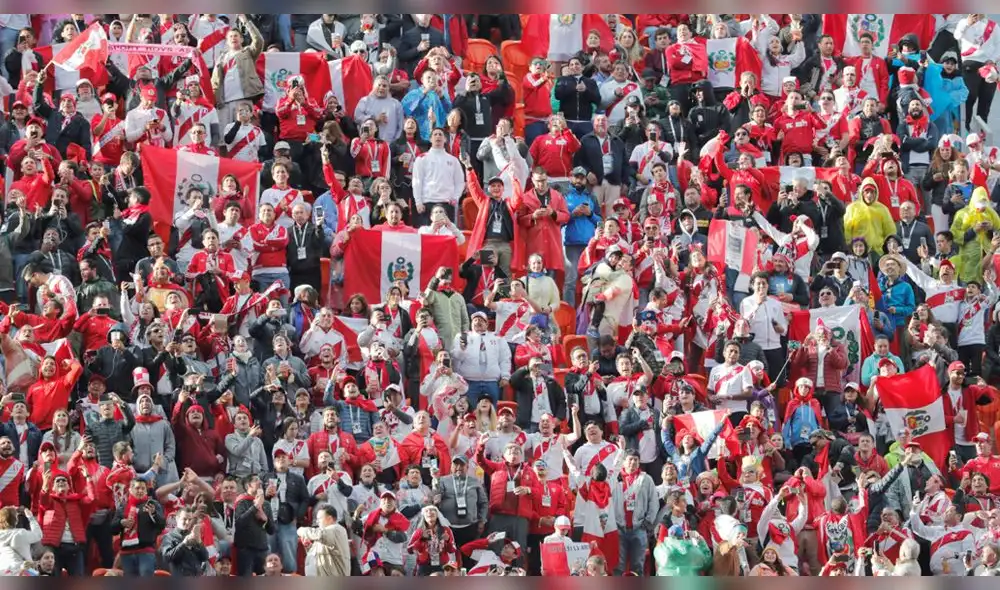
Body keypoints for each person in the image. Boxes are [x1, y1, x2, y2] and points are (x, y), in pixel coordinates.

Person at [297, 503, 351, 576]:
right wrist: (309, 547)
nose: (317, 522)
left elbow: (319, 534)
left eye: (319, 519)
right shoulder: (326, 535)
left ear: (329, 518)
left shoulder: (337, 529)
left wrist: (300, 530)